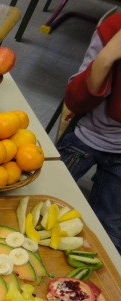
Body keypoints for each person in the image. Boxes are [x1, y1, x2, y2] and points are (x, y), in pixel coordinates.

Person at [58, 11, 121, 255]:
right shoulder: (113, 28)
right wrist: (105, 60)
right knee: (38, 203)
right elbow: (75, 100)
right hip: (86, 135)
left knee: (110, 238)